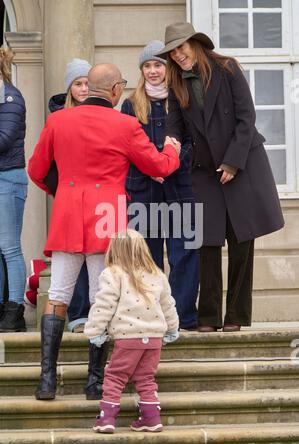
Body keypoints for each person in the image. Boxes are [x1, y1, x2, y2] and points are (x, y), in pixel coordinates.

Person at [28, 63, 180, 401]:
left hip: (68, 211)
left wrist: (65, 193)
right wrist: (172, 149)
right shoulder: (125, 124)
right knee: (103, 297)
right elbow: (157, 166)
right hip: (107, 215)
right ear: (114, 90)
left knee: (58, 295)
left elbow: (36, 170)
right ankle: (94, 382)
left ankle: (46, 381)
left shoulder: (58, 120)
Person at [157, 22, 284, 332]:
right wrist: (169, 147)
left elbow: (246, 118)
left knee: (242, 242)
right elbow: (175, 126)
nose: (177, 55)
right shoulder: (176, 83)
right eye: (172, 51)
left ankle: (236, 317)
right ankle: (209, 317)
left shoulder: (227, 68)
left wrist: (232, 163)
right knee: (207, 244)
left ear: (195, 44)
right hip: (204, 170)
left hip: (241, 163)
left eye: (180, 48)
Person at [121, 40, 199, 331]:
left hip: (182, 189)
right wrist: (150, 167)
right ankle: (151, 318)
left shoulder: (183, 99)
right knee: (146, 257)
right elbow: (125, 146)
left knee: (185, 254)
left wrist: (171, 164)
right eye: (148, 65)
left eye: (158, 65)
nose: (153, 71)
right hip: (143, 191)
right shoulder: (130, 104)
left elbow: (193, 141)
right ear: (142, 70)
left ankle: (184, 319)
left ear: (168, 69)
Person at [84, 229, 179, 434]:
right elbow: (168, 304)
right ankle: (151, 418)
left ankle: (107, 418)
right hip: (154, 339)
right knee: (146, 378)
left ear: (114, 250)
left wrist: (94, 331)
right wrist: (172, 328)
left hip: (128, 338)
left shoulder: (112, 274)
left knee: (115, 376)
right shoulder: (157, 274)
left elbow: (103, 305)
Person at [46, 58, 92, 333]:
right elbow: (45, 162)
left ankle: (98, 317)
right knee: (72, 257)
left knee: (96, 259)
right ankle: (77, 313)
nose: (84, 89)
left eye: (87, 83)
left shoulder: (105, 113)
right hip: (70, 197)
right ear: (70, 89)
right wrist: (59, 188)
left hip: (99, 199)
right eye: (78, 84)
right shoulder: (58, 118)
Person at [0, 47, 27, 332]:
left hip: (8, 179)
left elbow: (4, 138)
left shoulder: (10, 97)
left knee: (10, 248)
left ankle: (15, 309)